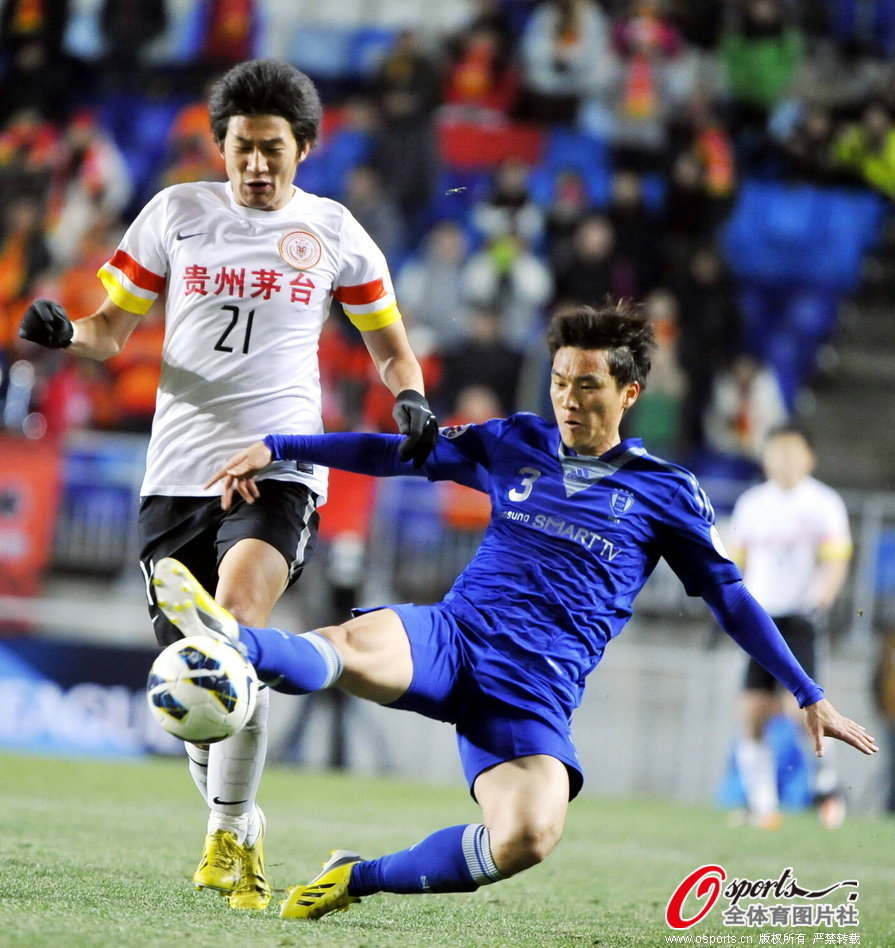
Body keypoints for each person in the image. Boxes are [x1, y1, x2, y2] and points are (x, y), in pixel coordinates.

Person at [149, 302, 876, 920]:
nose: (568, 399)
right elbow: (398, 452)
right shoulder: (516, 442)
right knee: (341, 648)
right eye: (560, 381)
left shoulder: (667, 492)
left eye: (586, 386)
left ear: (628, 392)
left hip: (533, 694)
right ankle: (233, 641)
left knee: (527, 837)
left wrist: (806, 691)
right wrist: (279, 445)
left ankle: (355, 874)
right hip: (453, 638)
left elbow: (731, 597)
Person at [16, 58, 438, 911]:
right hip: (177, 468)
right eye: (240, 148)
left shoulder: (335, 232)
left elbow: (389, 344)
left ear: (304, 148)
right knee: (190, 670)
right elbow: (108, 330)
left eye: (271, 149)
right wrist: (65, 333)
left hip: (280, 457)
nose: (254, 164)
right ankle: (240, 826)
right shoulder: (175, 214)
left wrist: (410, 396)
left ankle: (222, 834)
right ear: (219, 147)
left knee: (232, 633)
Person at [727, 423, 854, 829]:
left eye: (792, 452)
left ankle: (826, 787)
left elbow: (835, 558)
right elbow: (734, 560)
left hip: (799, 617)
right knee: (751, 711)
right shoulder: (751, 503)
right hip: (759, 617)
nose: (783, 460)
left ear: (808, 458)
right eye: (776, 452)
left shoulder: (823, 502)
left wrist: (822, 599)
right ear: (765, 457)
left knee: (802, 709)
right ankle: (764, 807)